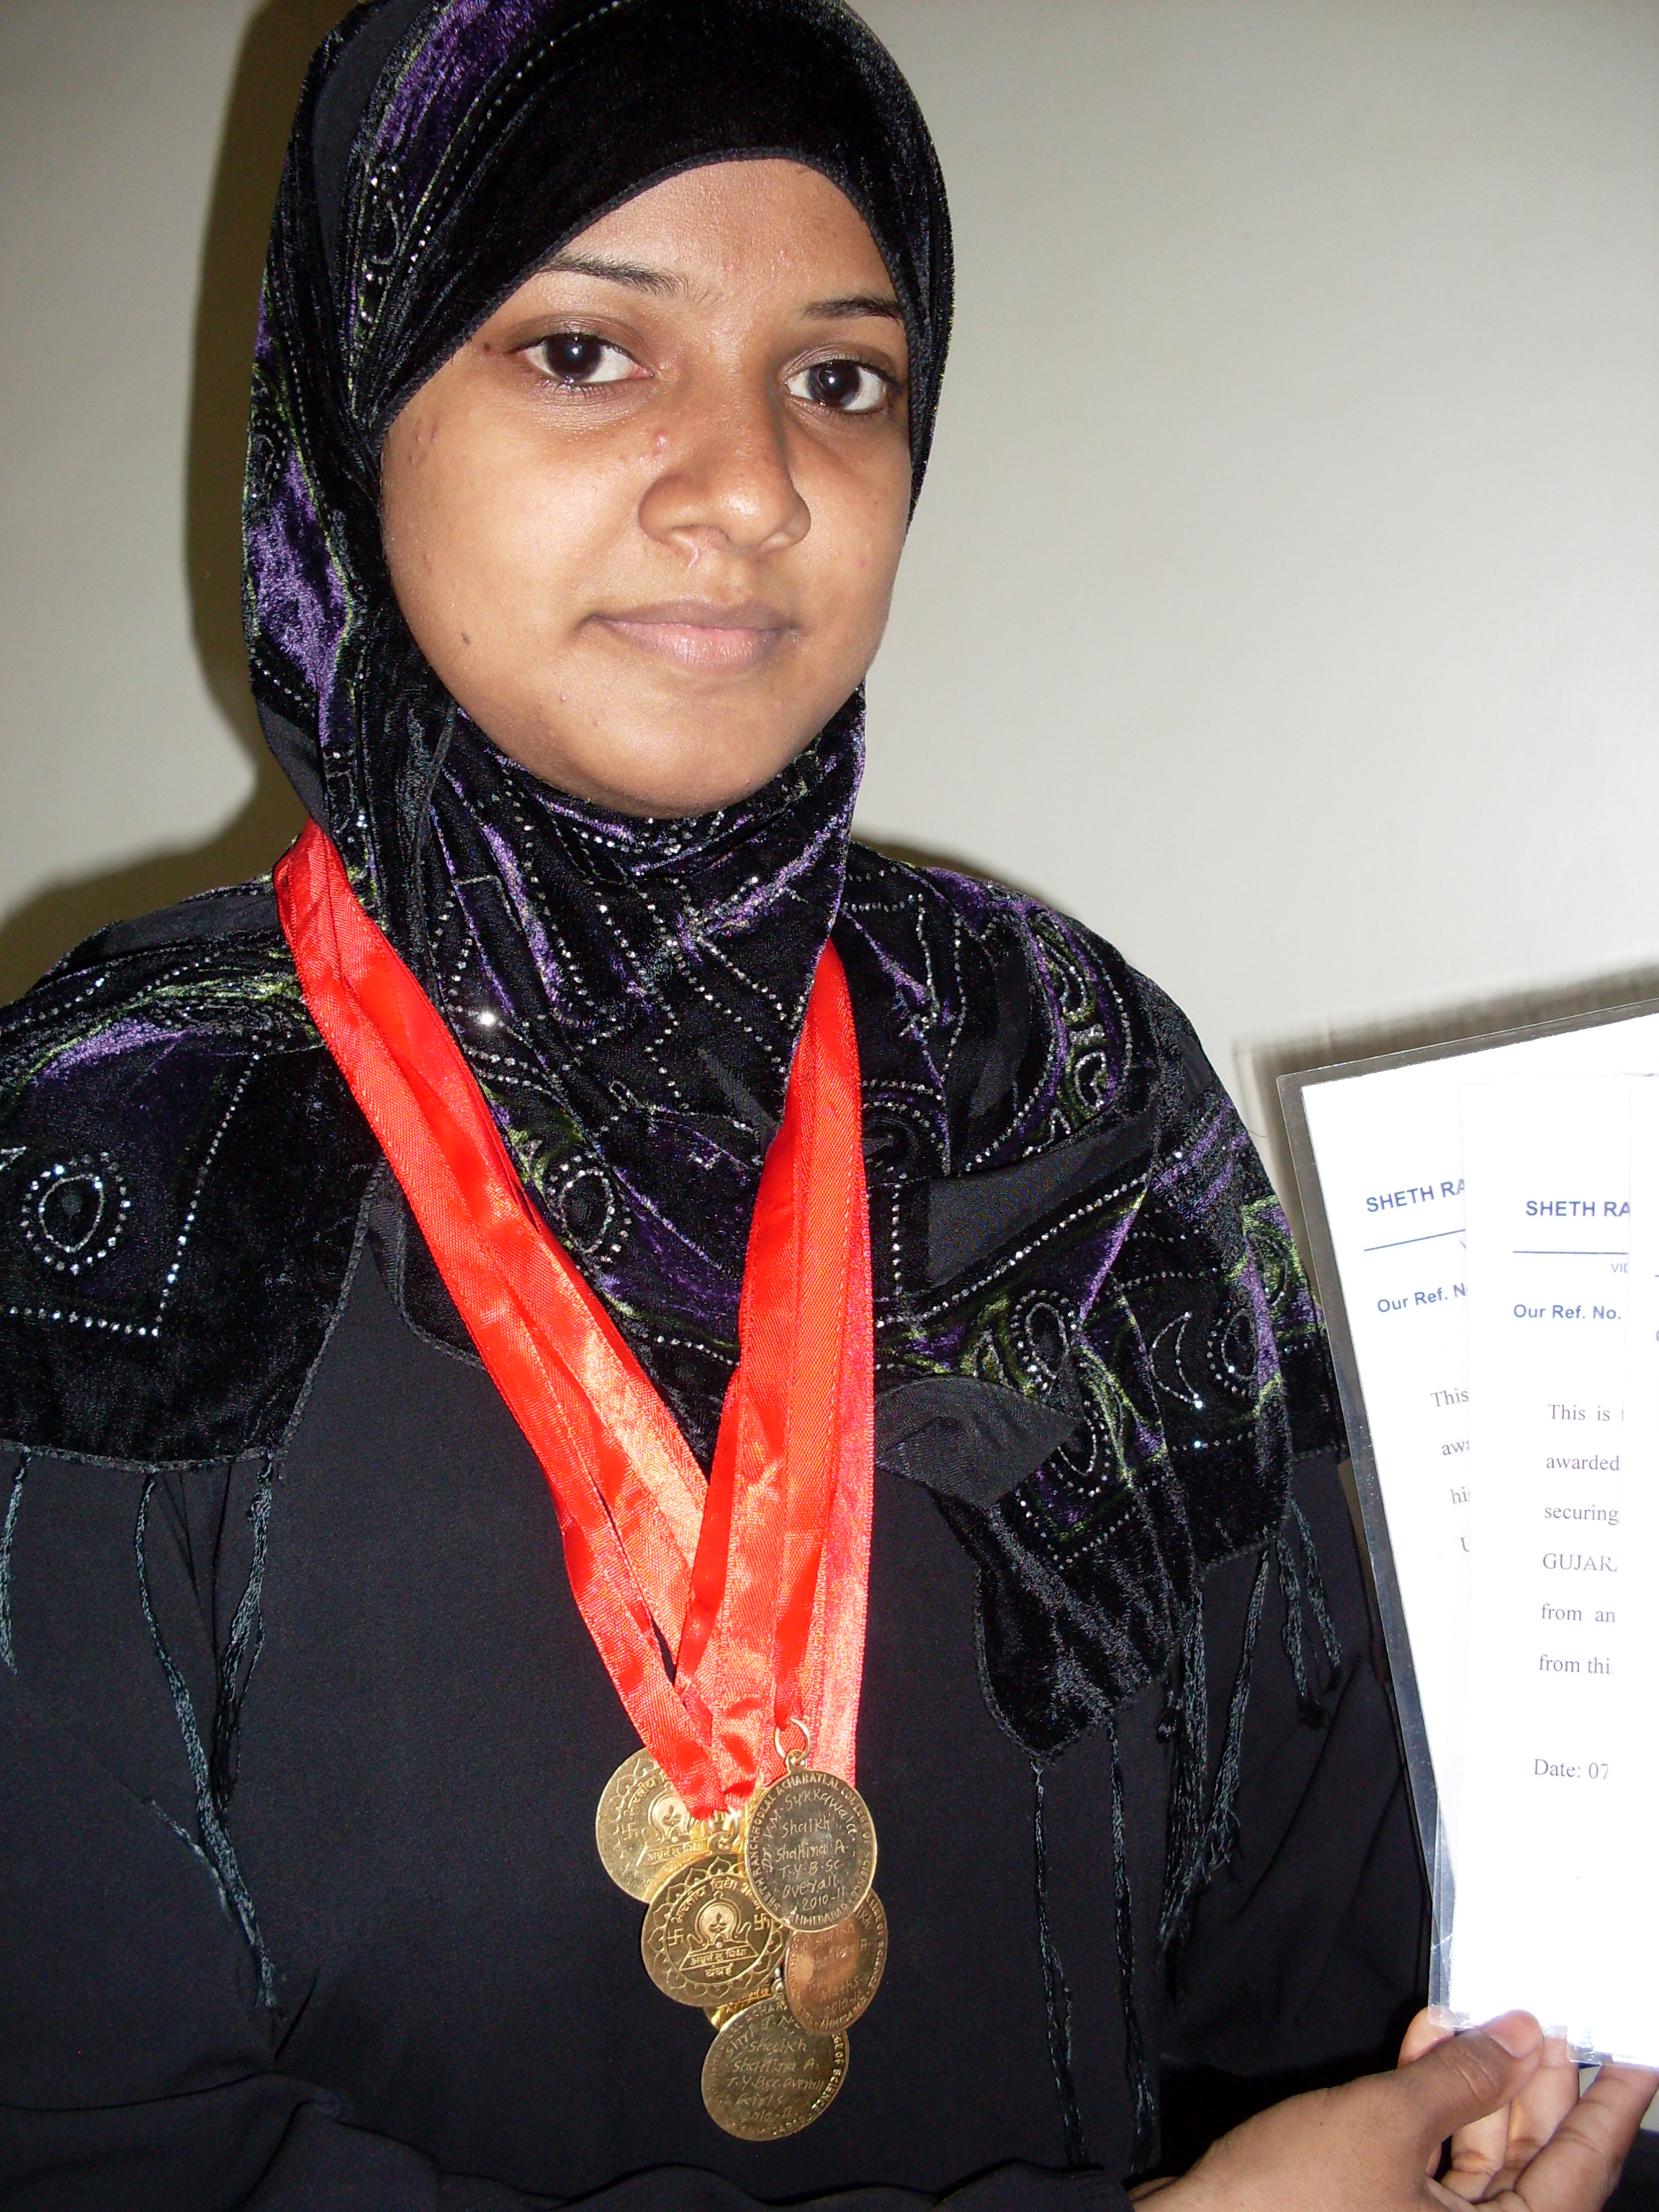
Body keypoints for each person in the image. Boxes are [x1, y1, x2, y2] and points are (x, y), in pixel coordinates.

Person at [0, 2, 1650, 2206]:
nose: (756, 482)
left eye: (843, 378)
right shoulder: (104, 1158)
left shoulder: (1063, 1090)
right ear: (351, 406)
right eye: (587, 349)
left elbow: (1334, 1948)